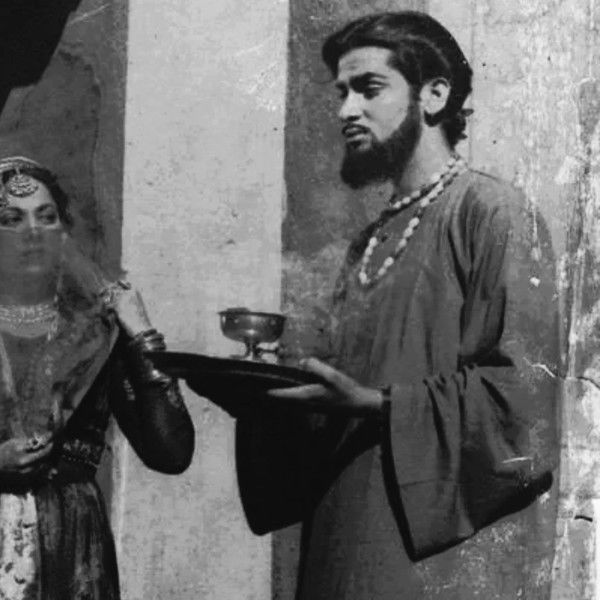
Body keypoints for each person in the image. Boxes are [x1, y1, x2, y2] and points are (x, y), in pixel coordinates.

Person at [231, 11, 560, 600]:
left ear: (435, 95)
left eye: (368, 88)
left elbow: (522, 403)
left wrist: (376, 405)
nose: (346, 110)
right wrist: (265, 395)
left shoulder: (494, 215)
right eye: (341, 92)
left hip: (427, 554)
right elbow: (334, 400)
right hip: (342, 531)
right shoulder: (369, 243)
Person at [0, 155, 195, 599]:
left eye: (46, 217)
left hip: (72, 545)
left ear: (63, 231)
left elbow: (171, 453)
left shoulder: (96, 333)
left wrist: (142, 334)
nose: (33, 232)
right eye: (12, 220)